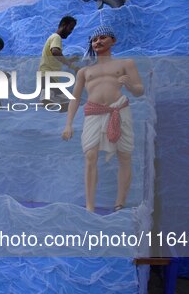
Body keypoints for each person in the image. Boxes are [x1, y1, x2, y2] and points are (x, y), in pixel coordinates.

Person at [61, 26, 143, 212]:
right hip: (94, 113)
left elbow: (140, 90)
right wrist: (68, 124)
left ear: (113, 41)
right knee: (90, 156)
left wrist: (129, 84)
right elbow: (75, 98)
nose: (98, 42)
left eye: (103, 38)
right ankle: (90, 206)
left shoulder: (125, 63)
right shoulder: (84, 72)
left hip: (119, 110)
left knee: (124, 155)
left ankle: (119, 203)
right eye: (94, 40)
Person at [39, 16, 80, 108]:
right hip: (49, 78)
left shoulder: (52, 38)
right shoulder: (56, 37)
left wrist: (70, 60)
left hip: (48, 78)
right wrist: (73, 67)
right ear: (63, 25)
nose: (70, 32)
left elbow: (55, 58)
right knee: (69, 103)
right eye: (70, 28)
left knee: (53, 103)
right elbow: (55, 52)